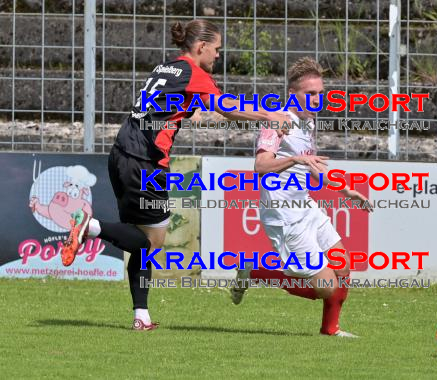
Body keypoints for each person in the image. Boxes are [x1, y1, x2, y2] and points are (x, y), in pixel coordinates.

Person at [62, 19, 290, 331]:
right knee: (149, 242)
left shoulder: (166, 68)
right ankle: (91, 226)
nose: (219, 56)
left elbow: (175, 104)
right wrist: (269, 115)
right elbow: (226, 107)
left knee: (140, 241)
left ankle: (141, 316)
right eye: (217, 49)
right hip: (146, 162)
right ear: (201, 47)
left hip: (121, 154)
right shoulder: (194, 72)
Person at [231, 57, 371, 337]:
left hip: (306, 207)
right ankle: (253, 272)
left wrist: (346, 191)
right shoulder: (277, 123)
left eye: (321, 93)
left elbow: (312, 165)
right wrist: (295, 159)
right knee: (326, 286)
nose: (317, 99)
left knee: (343, 266)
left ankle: (330, 330)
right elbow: (261, 167)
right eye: (311, 94)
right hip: (285, 217)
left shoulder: (308, 122)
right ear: (293, 94)